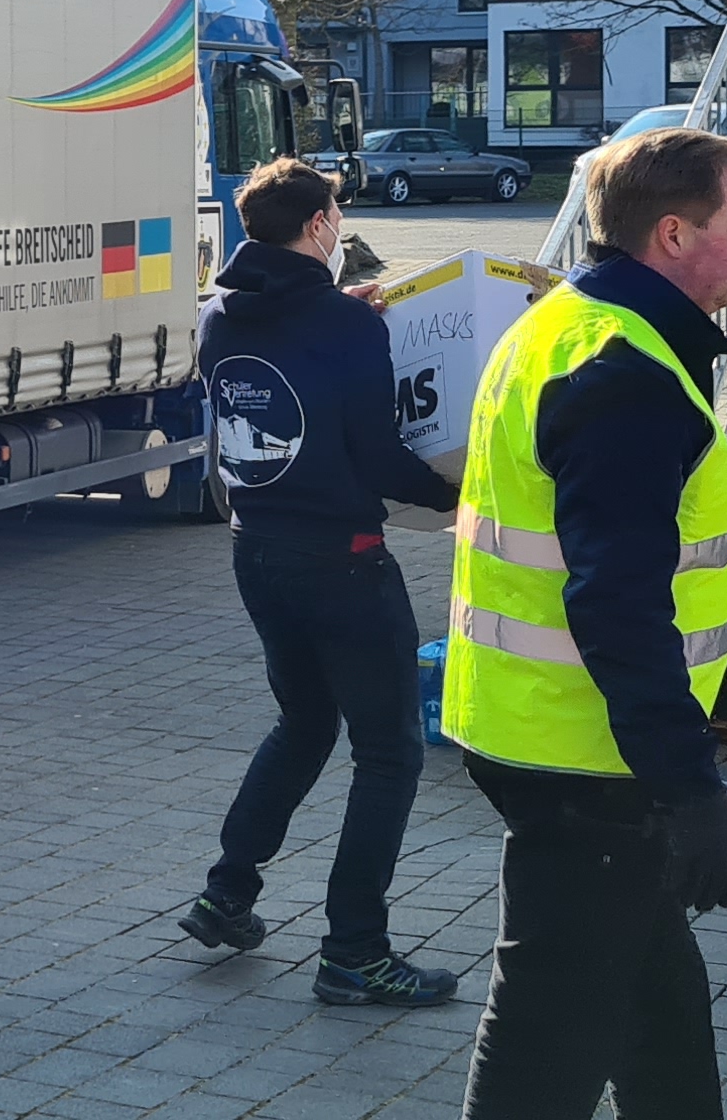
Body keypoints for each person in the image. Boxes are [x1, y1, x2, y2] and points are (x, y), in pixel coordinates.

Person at [447, 127, 727, 1120]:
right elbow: (615, 601)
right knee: (547, 1037)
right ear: (674, 234)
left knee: (657, 1014)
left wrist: (715, 659)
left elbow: (610, 555)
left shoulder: (571, 322)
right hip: (586, 763)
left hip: (549, 732)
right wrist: (689, 786)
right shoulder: (625, 371)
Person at [178, 158, 462, 1008]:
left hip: (257, 551)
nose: (341, 225)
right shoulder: (341, 322)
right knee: (389, 753)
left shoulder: (217, 314)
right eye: (336, 213)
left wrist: (345, 311)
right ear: (320, 226)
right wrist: (464, 494)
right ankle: (355, 953)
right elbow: (377, 455)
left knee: (304, 723)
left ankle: (226, 894)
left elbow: (289, 349)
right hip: (343, 561)